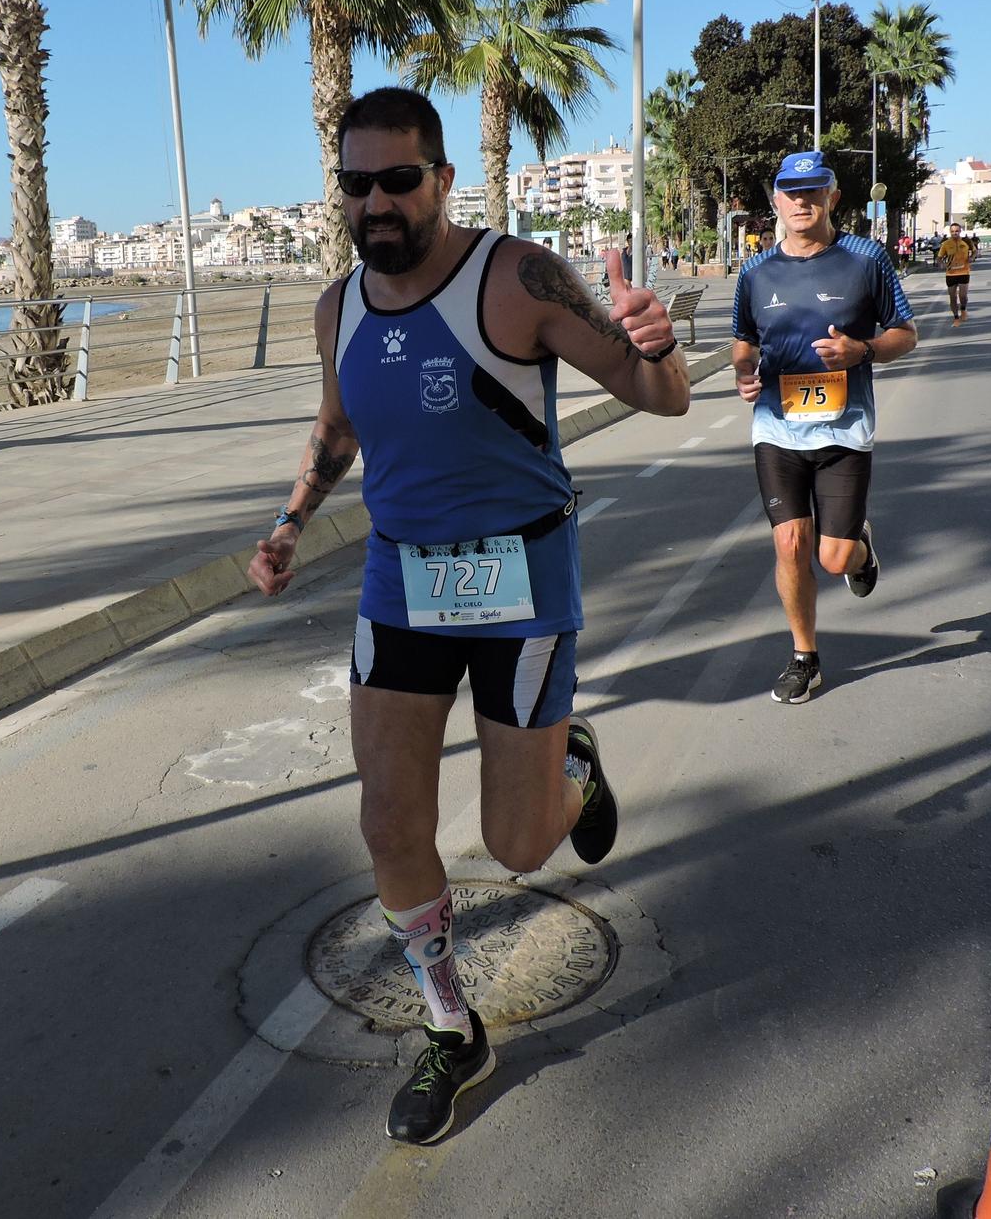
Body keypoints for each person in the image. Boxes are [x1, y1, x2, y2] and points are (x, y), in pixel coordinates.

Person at [247, 86, 690, 1143]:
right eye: (355, 184)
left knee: (520, 844)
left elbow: (658, 396)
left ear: (442, 180)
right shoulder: (336, 308)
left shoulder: (514, 278)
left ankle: (567, 769)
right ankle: (452, 1029)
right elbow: (338, 430)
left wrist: (658, 339)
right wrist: (290, 523)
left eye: (398, 180)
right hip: (398, 583)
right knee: (388, 822)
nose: (376, 203)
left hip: (520, 584)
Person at [732, 151, 918, 704]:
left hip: (844, 429)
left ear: (832, 197)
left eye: (812, 191)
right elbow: (743, 340)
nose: (801, 202)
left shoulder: (865, 258)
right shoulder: (755, 270)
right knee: (790, 544)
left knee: (832, 558)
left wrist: (860, 349)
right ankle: (804, 657)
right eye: (790, 192)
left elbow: (905, 334)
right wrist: (744, 372)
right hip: (776, 429)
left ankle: (860, 546)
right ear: (775, 200)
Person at [935, 221, 975, 324]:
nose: (955, 233)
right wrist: (941, 264)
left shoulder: (966, 241)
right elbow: (939, 258)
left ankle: (963, 309)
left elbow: (975, 251)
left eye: (957, 231)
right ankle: (956, 317)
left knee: (963, 296)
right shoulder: (946, 244)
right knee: (952, 297)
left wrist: (972, 257)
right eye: (952, 231)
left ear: (960, 231)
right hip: (951, 273)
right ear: (950, 232)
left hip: (964, 272)